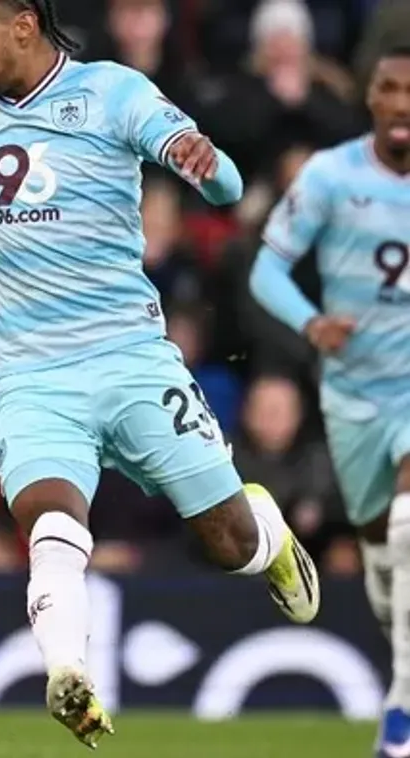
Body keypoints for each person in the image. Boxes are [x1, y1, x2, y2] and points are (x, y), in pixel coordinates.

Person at [0, 0, 320, 748]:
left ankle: (267, 538)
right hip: (31, 373)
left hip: (130, 358)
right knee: (48, 518)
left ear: (23, 25)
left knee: (228, 541)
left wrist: (203, 163)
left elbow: (226, 187)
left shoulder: (115, 92)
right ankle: (68, 671)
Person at [248, 46, 410, 758]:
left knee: (407, 526)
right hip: (352, 396)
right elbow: (266, 269)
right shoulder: (330, 176)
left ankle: (400, 712)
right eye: (389, 88)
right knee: (384, 564)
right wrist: (311, 323)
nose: (401, 103)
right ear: (370, 98)